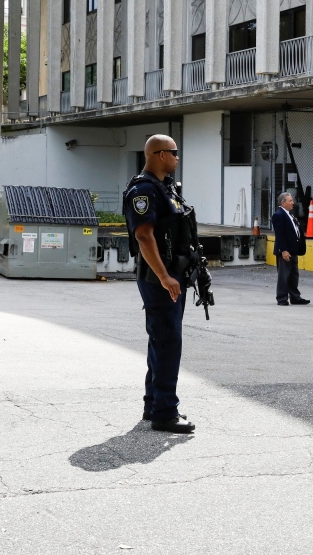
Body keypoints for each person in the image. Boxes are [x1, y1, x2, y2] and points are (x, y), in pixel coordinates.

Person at [122, 134, 197, 434]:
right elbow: (144, 236)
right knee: (168, 342)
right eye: (174, 152)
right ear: (159, 154)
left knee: (161, 340)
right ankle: (165, 413)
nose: (178, 157)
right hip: (158, 277)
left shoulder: (167, 189)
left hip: (171, 276)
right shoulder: (144, 190)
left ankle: (154, 404)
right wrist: (165, 277)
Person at [272, 192, 309, 306]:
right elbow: (280, 235)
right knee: (284, 275)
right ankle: (282, 297)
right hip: (286, 250)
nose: (293, 203)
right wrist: (284, 250)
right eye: (290, 201)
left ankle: (295, 296)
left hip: (293, 250)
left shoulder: (289, 214)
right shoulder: (279, 215)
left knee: (293, 274)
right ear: (283, 203)